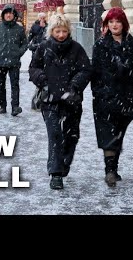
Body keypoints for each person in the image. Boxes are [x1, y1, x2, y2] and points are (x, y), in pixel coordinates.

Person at [29, 13, 92, 190]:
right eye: (58, 31)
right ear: (52, 31)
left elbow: (86, 70)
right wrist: (42, 80)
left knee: (72, 135)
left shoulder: (77, 49)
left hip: (72, 100)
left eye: (64, 31)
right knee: (55, 134)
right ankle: (55, 173)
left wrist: (75, 86)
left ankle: (65, 161)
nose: (61, 34)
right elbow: (33, 68)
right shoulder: (43, 47)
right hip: (50, 100)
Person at [91, 7, 133, 187]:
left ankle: (114, 167)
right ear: (107, 25)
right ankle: (110, 171)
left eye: (118, 21)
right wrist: (100, 94)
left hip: (126, 98)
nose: (114, 25)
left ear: (124, 24)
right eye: (111, 22)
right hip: (105, 99)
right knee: (108, 134)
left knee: (119, 135)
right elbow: (96, 74)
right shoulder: (100, 45)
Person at [0, 4, 28, 116]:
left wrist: (19, 52)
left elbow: (25, 43)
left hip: (14, 61)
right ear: (3, 15)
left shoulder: (19, 29)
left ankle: (15, 106)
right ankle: (2, 106)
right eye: (7, 13)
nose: (9, 15)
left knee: (15, 84)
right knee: (1, 84)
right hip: (0, 61)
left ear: (14, 15)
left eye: (11, 13)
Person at [28, 12, 48, 110]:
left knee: (44, 76)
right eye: (41, 17)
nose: (42, 19)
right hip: (37, 53)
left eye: (44, 17)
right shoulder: (35, 26)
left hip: (46, 53)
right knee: (39, 75)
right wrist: (31, 45)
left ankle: (40, 100)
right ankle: (37, 100)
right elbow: (30, 38)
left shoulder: (48, 27)